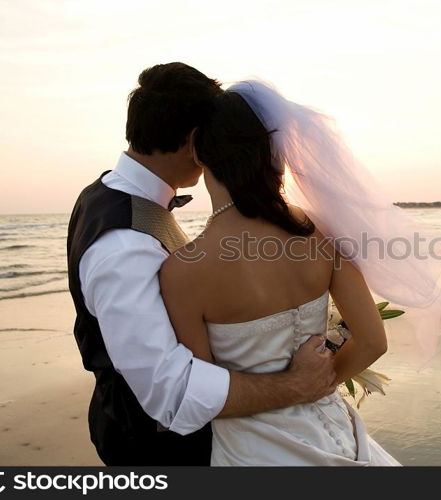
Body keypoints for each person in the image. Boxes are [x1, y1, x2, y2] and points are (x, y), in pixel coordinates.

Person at [66, 63, 337, 466]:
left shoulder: (112, 194)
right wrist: (295, 386)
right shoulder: (124, 244)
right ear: (197, 142)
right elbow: (169, 392)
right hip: (156, 452)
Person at [159, 80, 402, 465]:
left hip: (253, 451)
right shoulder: (320, 232)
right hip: (337, 435)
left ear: (199, 150)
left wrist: (296, 388)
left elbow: (207, 393)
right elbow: (373, 342)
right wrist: (318, 385)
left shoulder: (182, 272)